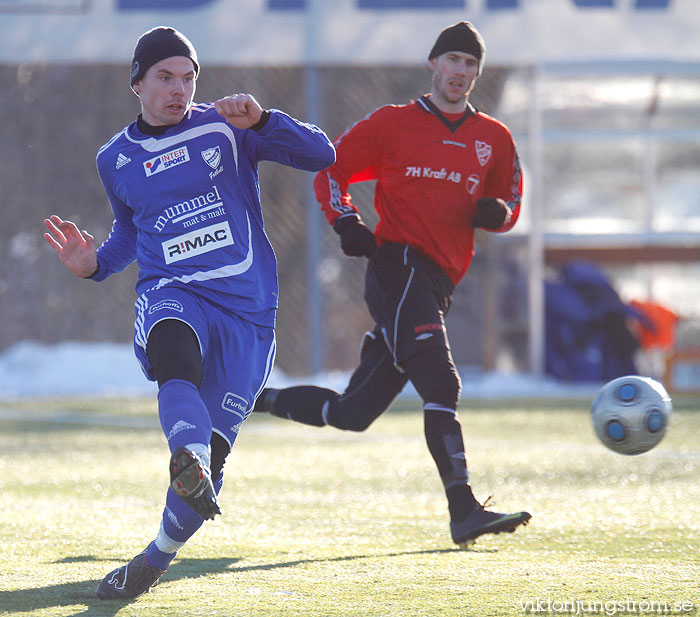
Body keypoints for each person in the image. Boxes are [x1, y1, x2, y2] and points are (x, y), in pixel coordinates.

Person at [43, 26, 335, 599]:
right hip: (173, 287)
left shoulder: (227, 127)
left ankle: (156, 557)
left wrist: (264, 119)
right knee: (172, 347)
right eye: (165, 77)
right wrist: (95, 264)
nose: (179, 89)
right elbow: (129, 230)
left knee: (215, 461)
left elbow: (322, 155)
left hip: (248, 310)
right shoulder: (115, 159)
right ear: (137, 84)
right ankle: (188, 453)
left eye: (188, 77)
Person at [255, 21, 530, 547]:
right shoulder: (393, 124)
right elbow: (330, 170)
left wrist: (497, 214)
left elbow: (511, 203)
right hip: (398, 269)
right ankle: (463, 509)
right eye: (452, 60)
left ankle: (257, 400)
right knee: (443, 385)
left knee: (353, 412)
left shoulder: (493, 138)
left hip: (438, 286)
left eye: (471, 64)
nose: (461, 72)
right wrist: (346, 222)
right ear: (433, 64)